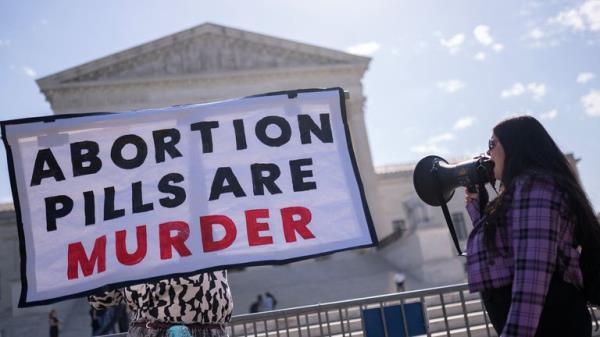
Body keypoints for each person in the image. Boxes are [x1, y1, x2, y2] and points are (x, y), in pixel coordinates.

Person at [464, 115, 595, 337]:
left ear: (515, 146)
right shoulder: (523, 189)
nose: (488, 153)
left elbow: (532, 272)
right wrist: (478, 207)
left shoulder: (535, 189)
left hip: (548, 324)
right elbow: (501, 251)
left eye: (492, 144)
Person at [89, 271, 233, 337]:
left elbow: (101, 298)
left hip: (154, 329)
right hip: (211, 328)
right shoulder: (206, 226)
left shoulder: (136, 239)